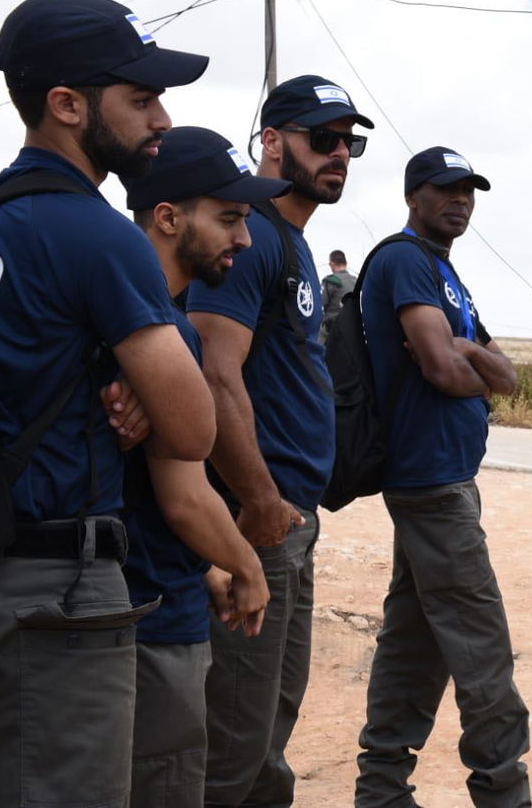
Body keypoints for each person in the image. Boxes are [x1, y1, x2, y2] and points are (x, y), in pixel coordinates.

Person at [0, 0, 215, 806]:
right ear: (67, 106)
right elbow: (192, 426)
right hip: (56, 602)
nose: (163, 118)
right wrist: (137, 367)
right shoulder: (97, 232)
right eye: (140, 98)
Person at [185, 75, 373, 807]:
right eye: (321, 139)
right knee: (234, 742)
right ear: (271, 141)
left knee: (268, 734)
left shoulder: (288, 240)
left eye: (348, 143)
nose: (339, 156)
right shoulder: (254, 235)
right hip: (253, 520)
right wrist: (260, 499)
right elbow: (212, 369)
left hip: (289, 519)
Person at [354, 146, 530, 807]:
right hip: (430, 483)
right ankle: (504, 791)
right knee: (483, 647)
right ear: (413, 196)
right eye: (445, 189)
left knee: (415, 638)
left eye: (468, 191)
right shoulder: (403, 260)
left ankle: (381, 789)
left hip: (448, 478)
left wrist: (476, 356)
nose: (460, 200)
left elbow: (507, 375)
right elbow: (440, 366)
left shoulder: (443, 273)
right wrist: (471, 366)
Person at [120, 126, 287, 807]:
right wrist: (247, 567)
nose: (243, 241)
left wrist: (208, 563)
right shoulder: (162, 330)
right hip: (150, 620)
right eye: (228, 219)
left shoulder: (121, 316)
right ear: (167, 217)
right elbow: (183, 492)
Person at [320, 249, 357, 342]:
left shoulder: (330, 281)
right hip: (351, 331)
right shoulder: (356, 281)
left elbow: (320, 305)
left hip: (331, 332)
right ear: (346, 263)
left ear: (331, 264)